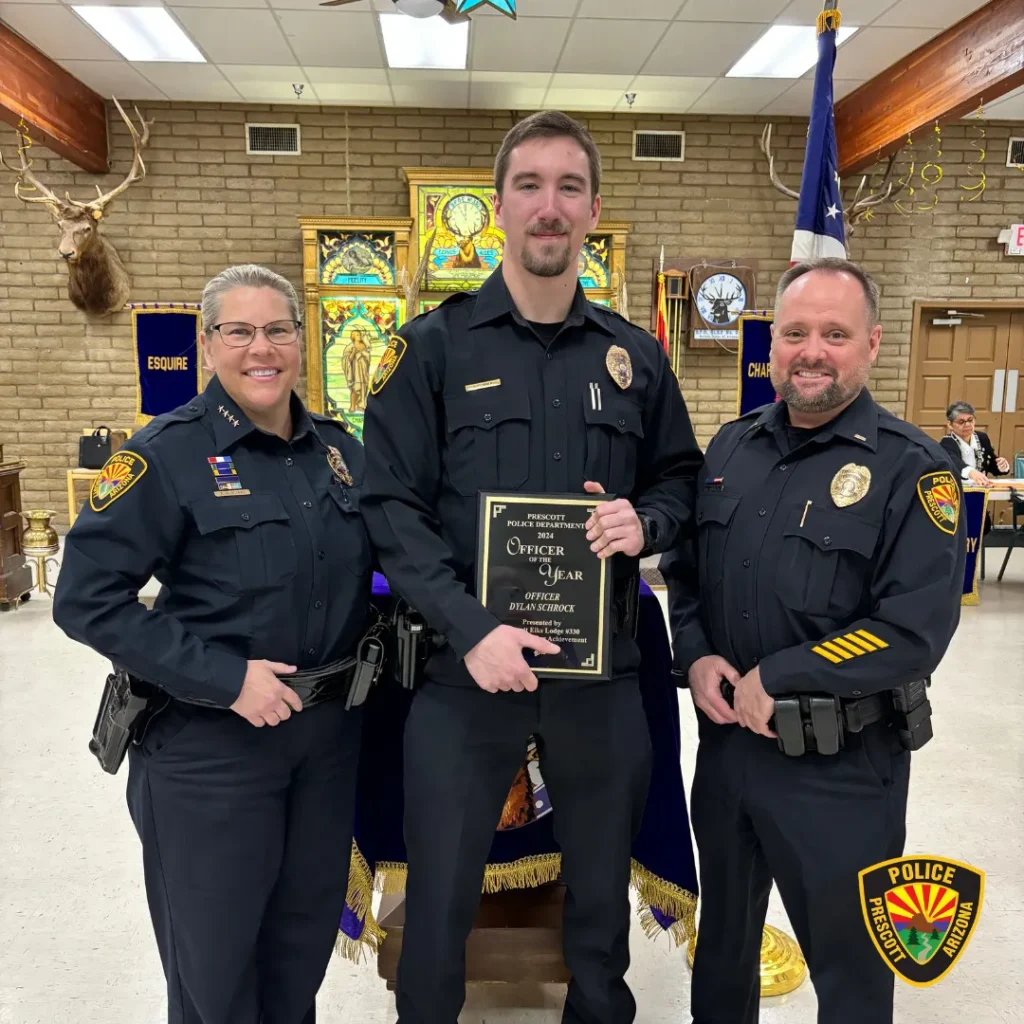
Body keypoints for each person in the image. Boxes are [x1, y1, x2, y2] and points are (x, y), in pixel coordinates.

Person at [360, 110, 702, 1024]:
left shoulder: (636, 356)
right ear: (498, 207)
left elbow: (681, 480)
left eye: (569, 187)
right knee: (437, 902)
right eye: (529, 186)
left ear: (593, 209)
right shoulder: (429, 350)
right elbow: (391, 509)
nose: (549, 207)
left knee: (598, 899)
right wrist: (470, 632)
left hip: (602, 675)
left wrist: (647, 520)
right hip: (465, 669)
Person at [53, 264, 374, 1024]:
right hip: (210, 751)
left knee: (298, 958)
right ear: (207, 345)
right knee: (217, 974)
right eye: (239, 331)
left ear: (302, 340)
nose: (260, 349)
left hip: (325, 744)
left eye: (277, 330)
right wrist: (227, 679)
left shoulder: (339, 452)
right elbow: (85, 600)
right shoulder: (164, 455)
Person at [662, 257, 965, 1024]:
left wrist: (785, 674)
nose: (812, 350)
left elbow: (913, 631)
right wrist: (695, 654)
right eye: (795, 332)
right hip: (730, 756)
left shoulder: (911, 471)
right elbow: (687, 572)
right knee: (722, 949)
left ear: (872, 344)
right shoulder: (729, 451)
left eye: (835, 333)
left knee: (851, 972)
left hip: (842, 769)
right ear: (771, 347)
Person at [940, 400, 1011, 487]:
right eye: (961, 422)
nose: (967, 424)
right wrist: (971, 472)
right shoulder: (947, 442)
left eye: (970, 420)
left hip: (980, 489)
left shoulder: (982, 438)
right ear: (950, 425)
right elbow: (954, 463)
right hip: (957, 491)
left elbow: (991, 464)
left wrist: (1002, 465)